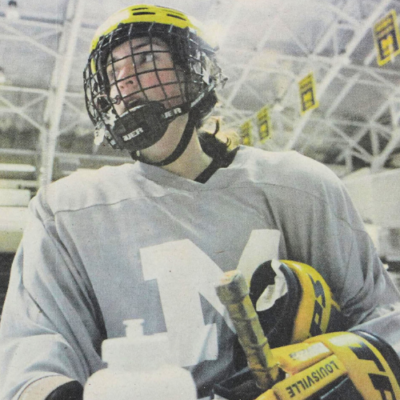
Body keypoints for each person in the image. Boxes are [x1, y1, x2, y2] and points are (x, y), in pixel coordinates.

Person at [1, 4, 400, 400]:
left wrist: (345, 366)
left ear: (191, 71)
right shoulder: (65, 211)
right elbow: (34, 350)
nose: (125, 83)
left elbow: (383, 319)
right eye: (112, 73)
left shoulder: (299, 186)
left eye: (144, 59)